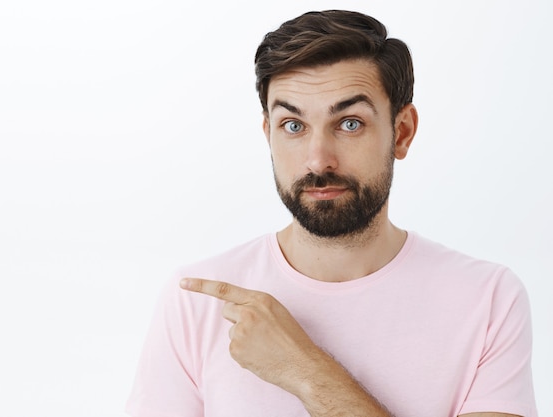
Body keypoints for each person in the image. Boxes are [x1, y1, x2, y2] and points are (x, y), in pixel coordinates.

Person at [125, 10, 537, 417]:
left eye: (350, 123)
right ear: (268, 133)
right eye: (293, 125)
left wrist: (302, 369)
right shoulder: (198, 302)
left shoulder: (487, 299)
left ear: (402, 132)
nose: (318, 161)